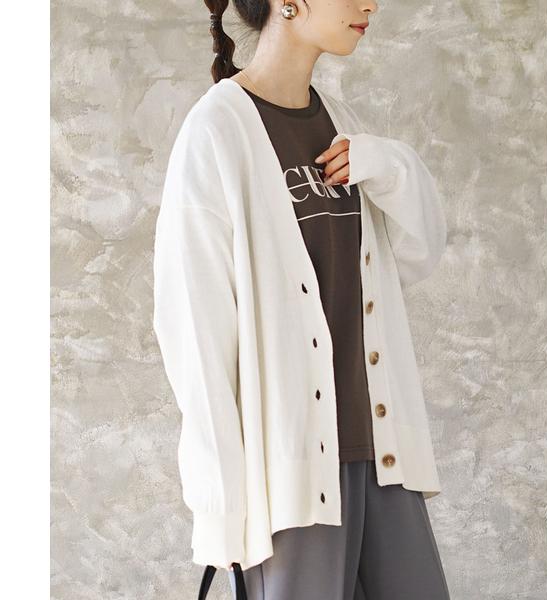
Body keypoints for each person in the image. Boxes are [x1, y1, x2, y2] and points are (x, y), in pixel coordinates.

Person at [153, 0, 451, 598]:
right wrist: (221, 506)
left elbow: (419, 253)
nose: (369, 4)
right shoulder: (217, 131)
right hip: (290, 479)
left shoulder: (341, 121)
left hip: (383, 453)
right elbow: (195, 334)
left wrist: (389, 164)